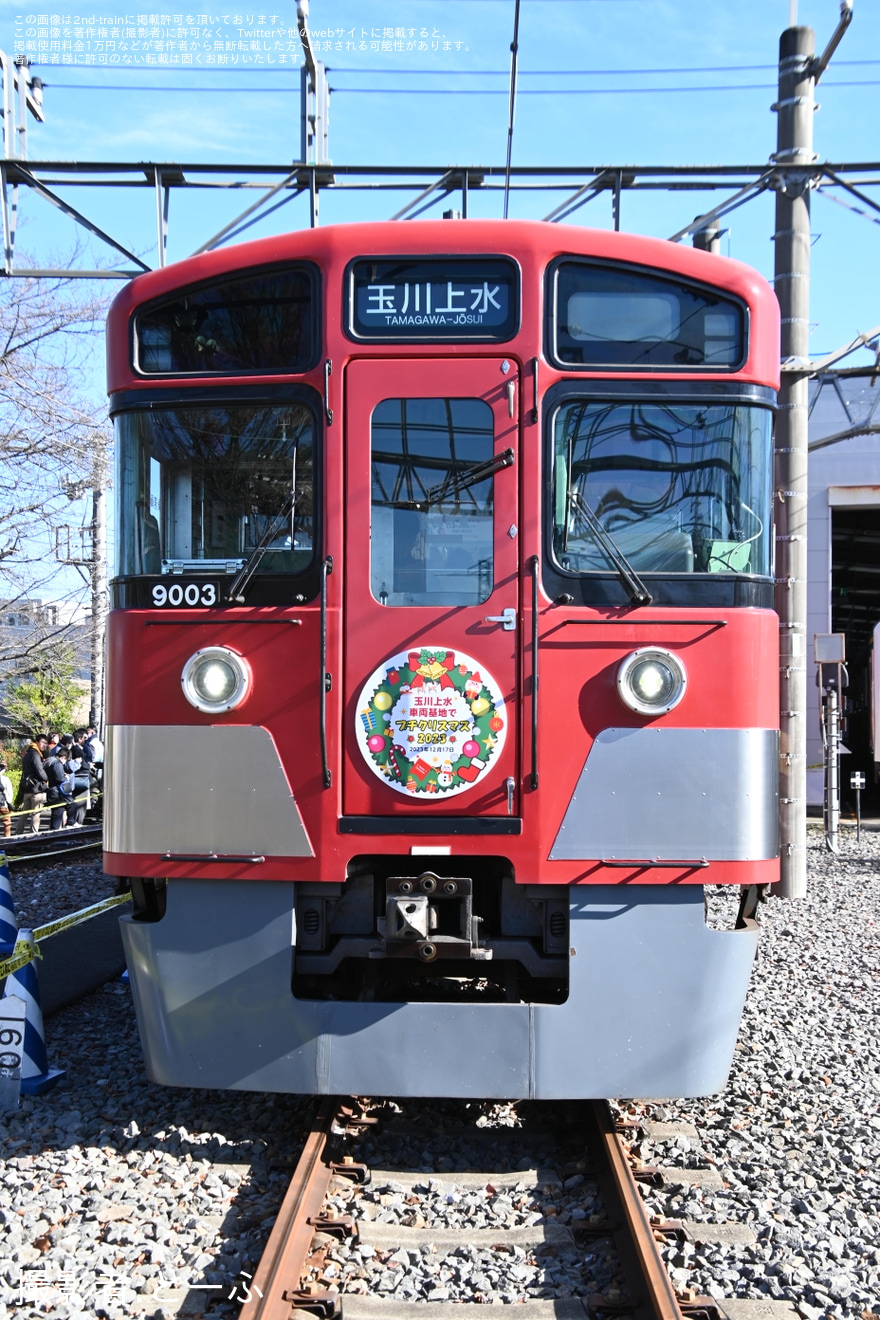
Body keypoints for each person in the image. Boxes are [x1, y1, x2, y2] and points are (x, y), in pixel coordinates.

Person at [20, 734, 49, 833]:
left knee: (24, 814)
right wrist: (46, 778)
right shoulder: (36, 754)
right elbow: (40, 771)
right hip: (36, 788)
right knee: (36, 814)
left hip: (26, 787)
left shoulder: (27, 753)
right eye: (42, 742)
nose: (44, 745)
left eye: (46, 743)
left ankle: (17, 833)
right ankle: (34, 834)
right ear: (37, 742)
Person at [43, 745, 74, 831]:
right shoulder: (57, 763)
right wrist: (66, 778)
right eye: (66, 760)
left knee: (56, 812)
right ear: (63, 757)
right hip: (57, 792)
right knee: (59, 811)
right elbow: (59, 778)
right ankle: (67, 825)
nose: (65, 763)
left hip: (51, 790)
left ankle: (55, 830)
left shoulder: (49, 760)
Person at [0, 758, 13, 838]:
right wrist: (9, 803)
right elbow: (9, 792)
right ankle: (7, 837)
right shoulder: (5, 779)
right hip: (3, 804)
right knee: (7, 821)